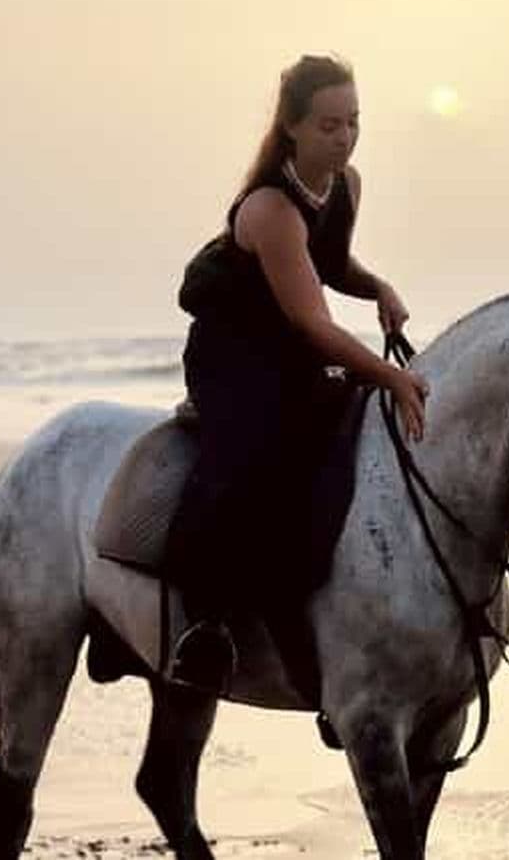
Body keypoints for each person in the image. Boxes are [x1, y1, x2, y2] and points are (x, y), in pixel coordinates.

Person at [165, 54, 429, 692]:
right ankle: (207, 622)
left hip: (290, 347)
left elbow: (330, 263)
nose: (344, 138)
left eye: (353, 123)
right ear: (291, 127)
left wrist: (377, 287)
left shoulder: (346, 183)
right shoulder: (268, 209)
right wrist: (392, 376)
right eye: (328, 125)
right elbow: (313, 322)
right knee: (254, 454)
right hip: (235, 357)